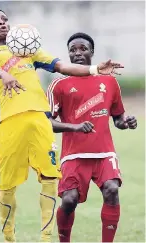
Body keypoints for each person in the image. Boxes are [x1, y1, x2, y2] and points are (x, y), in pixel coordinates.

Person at [0, 8, 124, 243]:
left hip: (40, 122)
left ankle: (46, 238)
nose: (2, 23)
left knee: (50, 179)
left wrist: (94, 70)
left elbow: (63, 67)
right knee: (8, 185)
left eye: (5, 19)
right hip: (10, 123)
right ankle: (9, 236)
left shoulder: (29, 51)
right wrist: (4, 75)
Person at [47, 32, 137, 243]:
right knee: (69, 200)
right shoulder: (58, 85)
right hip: (73, 155)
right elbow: (46, 122)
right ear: (68, 54)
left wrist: (126, 122)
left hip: (104, 152)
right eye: (73, 50)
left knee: (112, 190)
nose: (77, 53)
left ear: (92, 52)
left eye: (83, 49)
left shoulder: (109, 82)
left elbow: (117, 118)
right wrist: (75, 127)